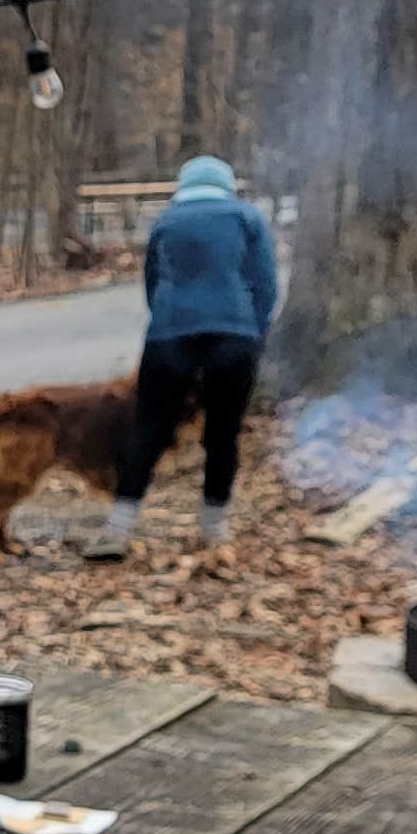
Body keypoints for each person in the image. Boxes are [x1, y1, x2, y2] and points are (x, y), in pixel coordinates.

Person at [94, 154, 276, 558]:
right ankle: (214, 530)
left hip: (170, 336)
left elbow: (152, 282)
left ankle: (117, 529)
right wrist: (255, 333)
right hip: (234, 336)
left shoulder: (166, 221)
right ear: (227, 185)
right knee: (222, 435)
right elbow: (265, 284)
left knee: (148, 430)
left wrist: (164, 322)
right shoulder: (247, 218)